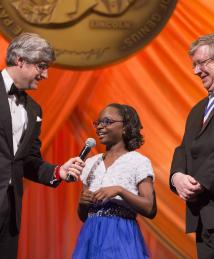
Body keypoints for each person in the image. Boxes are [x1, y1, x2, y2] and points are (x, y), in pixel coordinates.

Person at [0, 32, 84, 259]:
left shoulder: (34, 110)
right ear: (20, 61)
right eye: (41, 66)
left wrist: (59, 171)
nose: (45, 74)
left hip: (10, 212)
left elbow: (28, 161)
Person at [72, 103, 157, 259]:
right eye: (98, 123)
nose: (99, 127)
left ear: (125, 127)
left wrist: (120, 191)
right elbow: (84, 216)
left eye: (107, 122)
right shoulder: (91, 163)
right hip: (91, 235)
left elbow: (149, 208)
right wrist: (82, 203)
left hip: (121, 235)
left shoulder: (138, 161)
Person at [169, 34, 214, 259]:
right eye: (194, 65)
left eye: (202, 63)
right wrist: (177, 177)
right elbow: (184, 149)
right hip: (203, 220)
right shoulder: (198, 109)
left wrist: (201, 182)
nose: (196, 71)